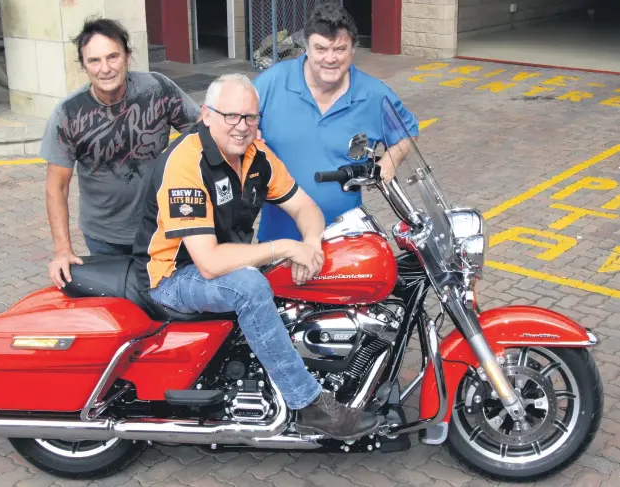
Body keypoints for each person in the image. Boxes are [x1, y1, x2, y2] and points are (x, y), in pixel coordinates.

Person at [131, 73, 381, 440]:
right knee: (249, 286)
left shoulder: (256, 157)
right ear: (206, 115)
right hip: (173, 276)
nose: (241, 126)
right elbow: (209, 262)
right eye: (231, 116)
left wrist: (311, 242)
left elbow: (304, 206)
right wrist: (285, 247)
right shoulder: (186, 163)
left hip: (227, 263)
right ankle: (307, 404)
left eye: (250, 117)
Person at [40, 18, 200, 288]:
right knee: (118, 313)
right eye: (94, 61)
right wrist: (63, 251)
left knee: (173, 306)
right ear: (84, 66)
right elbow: (57, 187)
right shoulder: (68, 113)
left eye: (113, 56)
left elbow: (202, 132)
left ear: (127, 56)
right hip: (105, 238)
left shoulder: (157, 89)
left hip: (163, 228)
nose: (105, 69)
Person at [252, 2, 420, 243]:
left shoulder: (374, 95)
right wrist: (248, 133)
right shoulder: (271, 83)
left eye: (340, 49)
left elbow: (408, 132)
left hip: (344, 238)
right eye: (320, 48)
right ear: (306, 47)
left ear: (353, 49)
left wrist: (388, 164)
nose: (330, 59)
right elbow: (224, 121)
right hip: (280, 241)